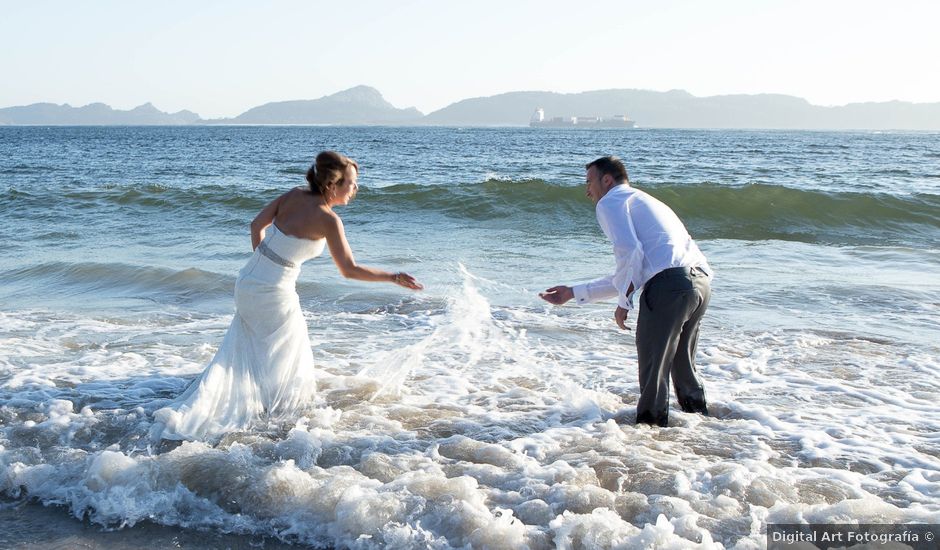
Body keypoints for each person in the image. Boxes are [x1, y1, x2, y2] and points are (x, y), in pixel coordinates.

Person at [153, 151, 422, 441]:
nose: (355, 189)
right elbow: (349, 270)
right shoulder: (329, 220)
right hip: (274, 293)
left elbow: (256, 226)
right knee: (291, 356)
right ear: (333, 184)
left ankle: (259, 409)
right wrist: (393, 277)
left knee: (257, 349)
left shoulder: (293, 195)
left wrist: (265, 266)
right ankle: (278, 425)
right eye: (351, 183)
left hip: (246, 283)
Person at [540, 156, 712, 427]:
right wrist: (573, 292)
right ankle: (702, 424)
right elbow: (636, 269)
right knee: (682, 365)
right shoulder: (645, 200)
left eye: (589, 182)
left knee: (654, 369)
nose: (587, 190)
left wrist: (624, 301)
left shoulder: (610, 201)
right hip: (699, 282)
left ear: (606, 180)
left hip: (669, 286)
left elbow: (630, 253)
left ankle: (650, 434)